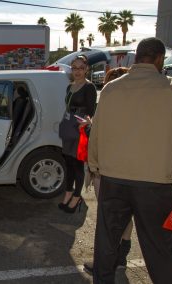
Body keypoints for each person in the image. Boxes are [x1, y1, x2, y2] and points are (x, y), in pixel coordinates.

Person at [88, 37, 172, 283]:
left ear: (137, 58)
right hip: (154, 184)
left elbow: (97, 132)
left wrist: (95, 165)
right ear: (160, 59)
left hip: (113, 179)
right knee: (160, 250)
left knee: (106, 241)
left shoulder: (111, 88)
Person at [83, 67, 132, 275]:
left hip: (108, 170)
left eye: (108, 82)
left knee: (107, 219)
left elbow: (102, 137)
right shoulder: (134, 109)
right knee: (126, 217)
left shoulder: (110, 106)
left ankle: (105, 263)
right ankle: (120, 258)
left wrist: (90, 127)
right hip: (130, 171)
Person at [58, 55, 97, 214]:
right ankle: (68, 192)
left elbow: (91, 111)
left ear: (87, 69)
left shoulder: (89, 87)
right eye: (74, 68)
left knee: (78, 165)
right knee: (68, 163)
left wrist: (86, 122)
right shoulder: (69, 87)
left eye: (81, 68)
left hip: (79, 129)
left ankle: (76, 196)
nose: (77, 71)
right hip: (68, 127)